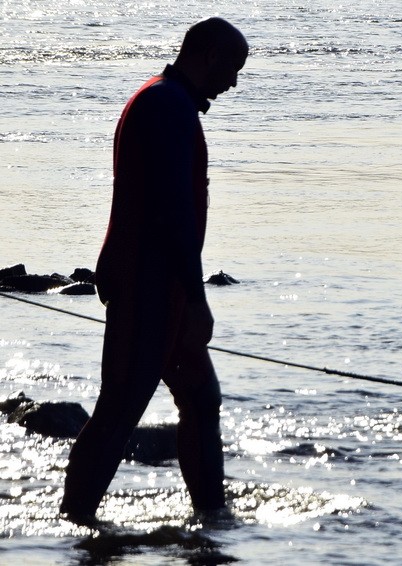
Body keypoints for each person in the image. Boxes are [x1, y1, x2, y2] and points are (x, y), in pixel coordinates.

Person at [60, 18, 249, 523]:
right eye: (233, 68)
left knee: (201, 398)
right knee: (119, 411)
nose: (233, 82)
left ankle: (212, 520)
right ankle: (75, 525)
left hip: (157, 281)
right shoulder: (166, 104)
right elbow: (172, 211)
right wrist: (196, 297)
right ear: (208, 55)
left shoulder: (168, 101)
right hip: (148, 283)